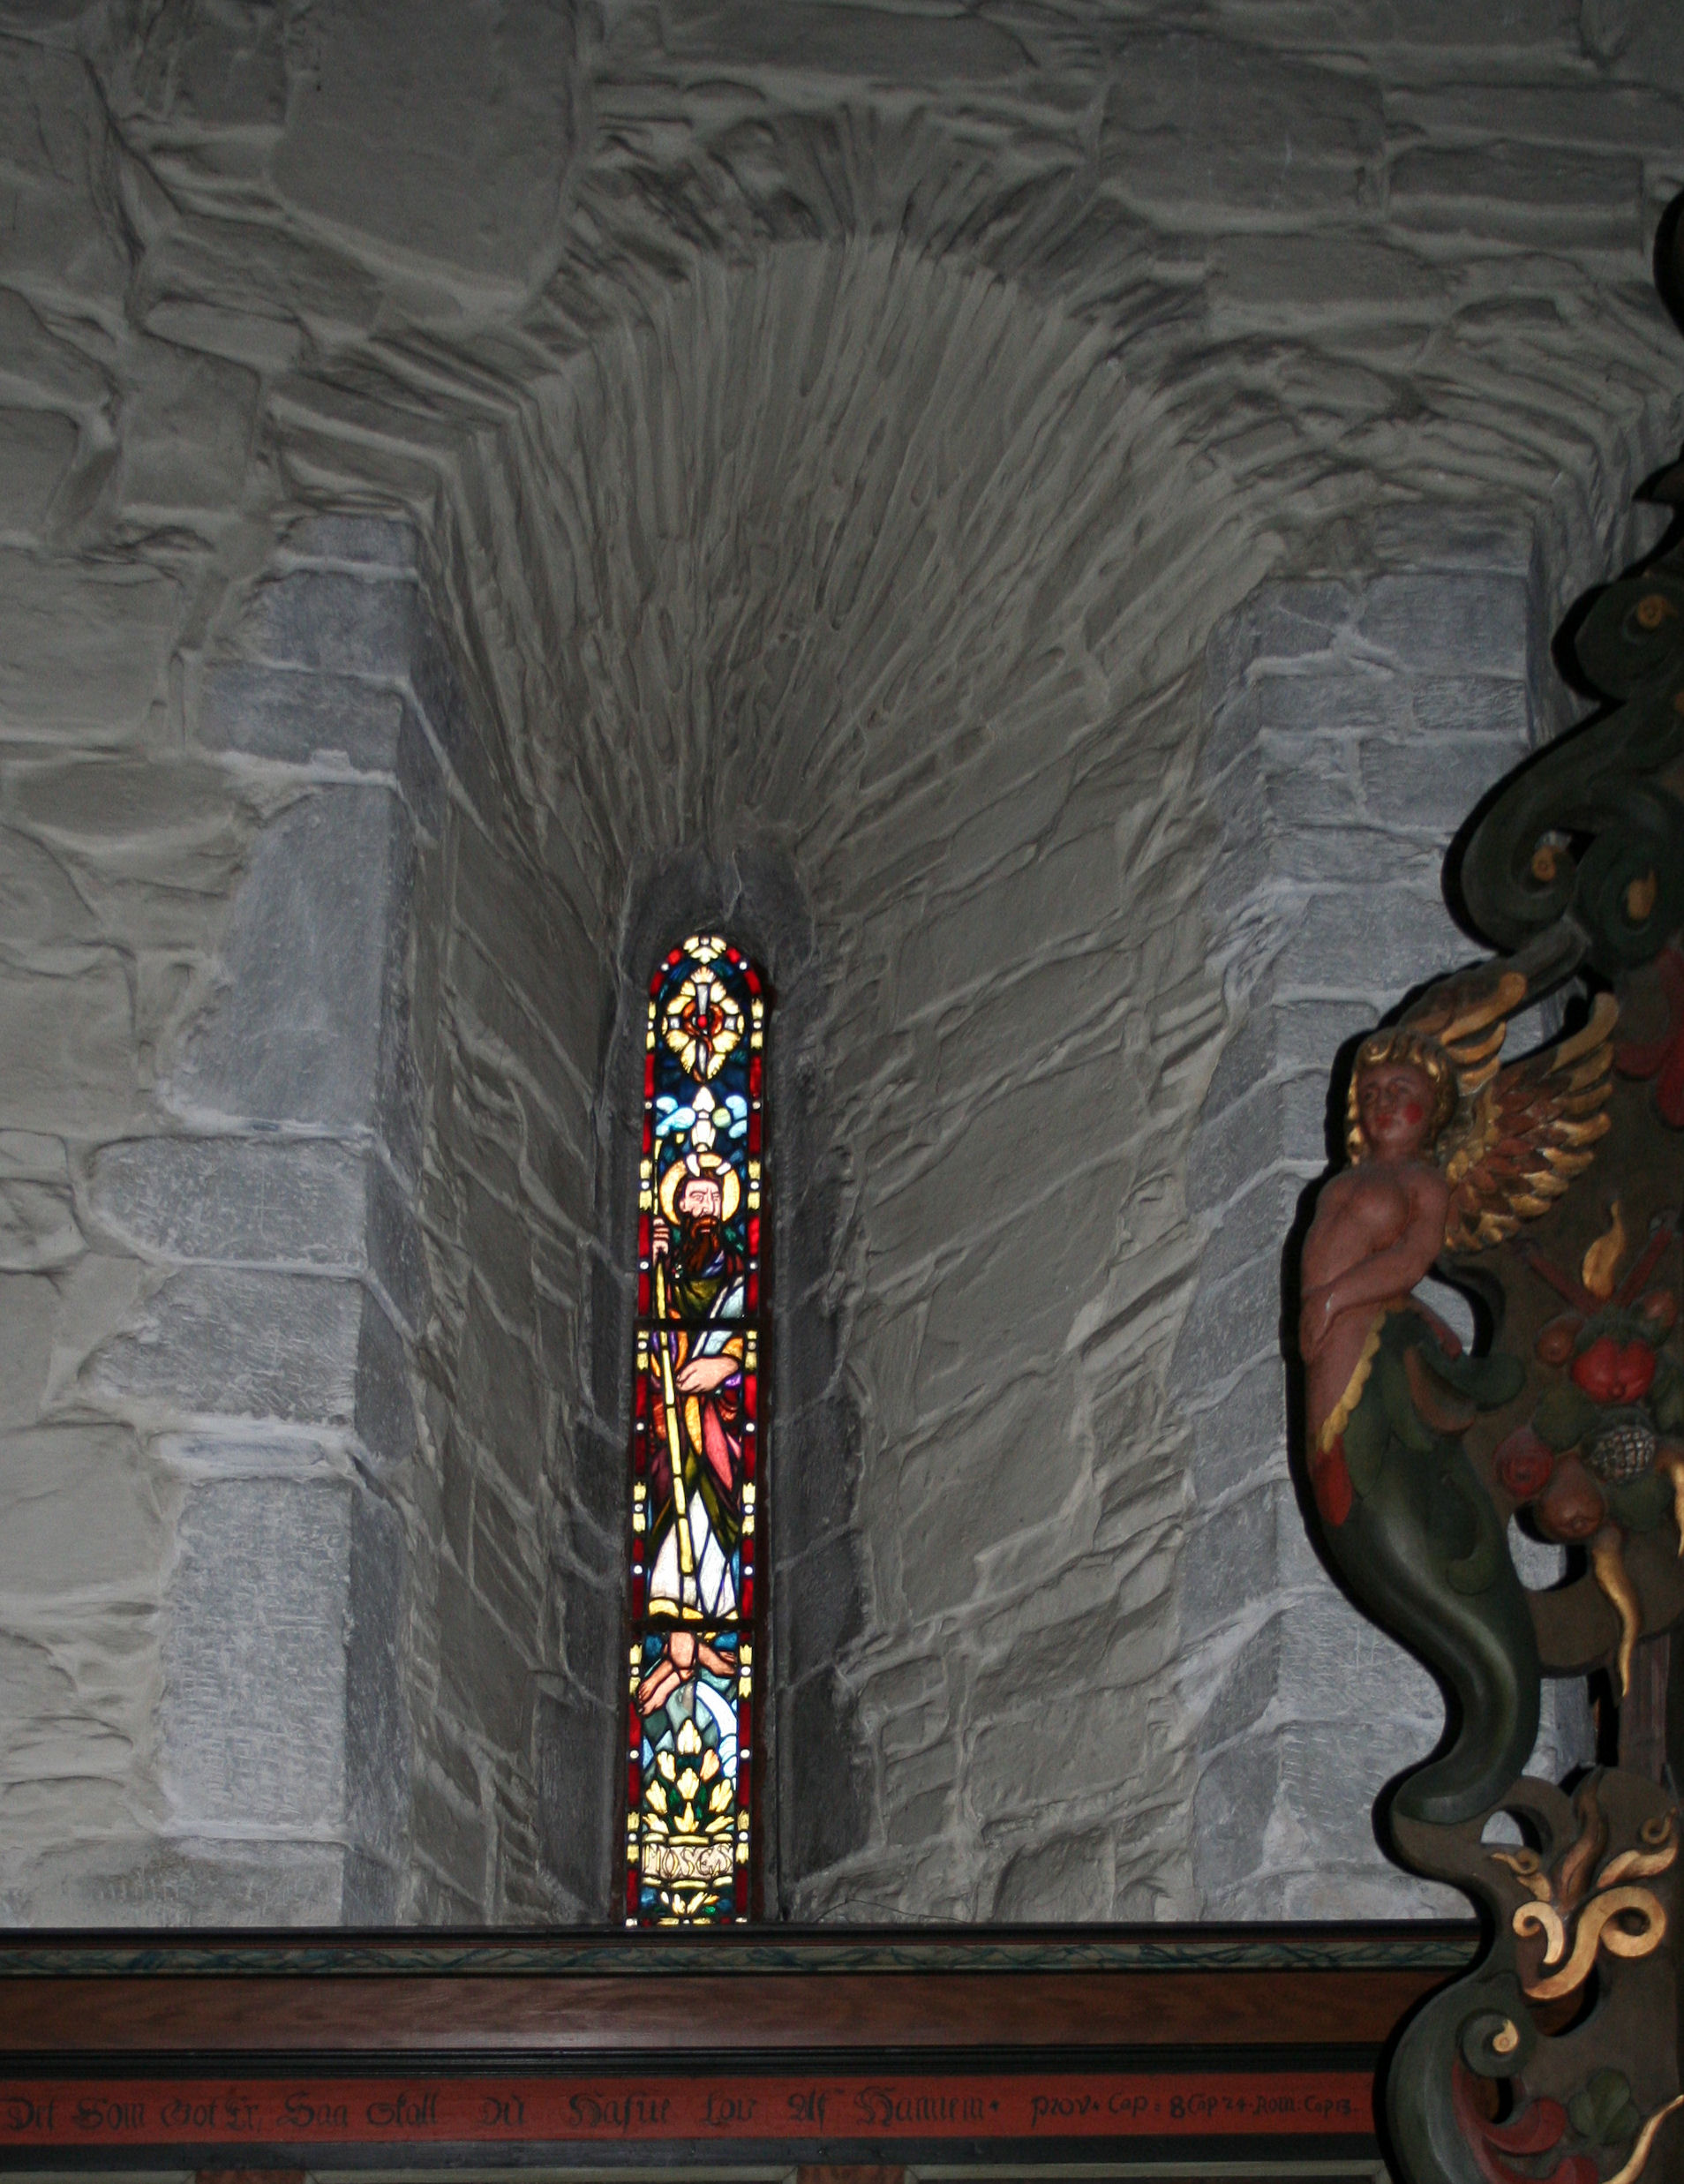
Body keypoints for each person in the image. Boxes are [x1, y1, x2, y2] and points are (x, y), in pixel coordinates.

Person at [1299, 1033, 1459, 1521]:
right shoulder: (1345, 1179)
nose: (1382, 1104)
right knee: (1324, 1458)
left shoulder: (1425, 1181)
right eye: (1369, 1095)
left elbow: (1411, 1257)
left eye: (1399, 1091)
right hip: (1325, 1322)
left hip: (1349, 1314)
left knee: (1346, 1460)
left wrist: (1331, 1300)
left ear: (1434, 1107)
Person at [646, 1160, 747, 1619]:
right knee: (674, 1502)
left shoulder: (739, 1272)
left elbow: (744, 1342)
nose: (706, 1207)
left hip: (718, 1422)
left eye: (714, 1198)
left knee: (714, 1506)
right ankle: (672, 1607)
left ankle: (715, 1612)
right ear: (681, 1206)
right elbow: (658, 1352)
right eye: (697, 1198)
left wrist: (723, 1366)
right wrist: (656, 1267)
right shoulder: (668, 1275)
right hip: (672, 1421)